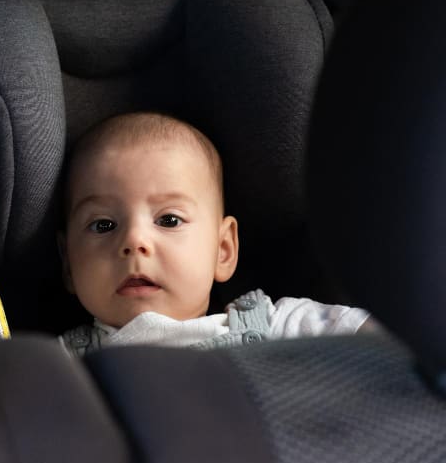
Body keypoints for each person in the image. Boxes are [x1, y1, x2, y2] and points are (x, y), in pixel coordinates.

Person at [58, 112, 370, 357]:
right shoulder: (57, 366)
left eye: (169, 220)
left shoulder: (279, 328)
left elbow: (384, 342)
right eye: (103, 225)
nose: (134, 241)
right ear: (69, 263)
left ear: (223, 249)